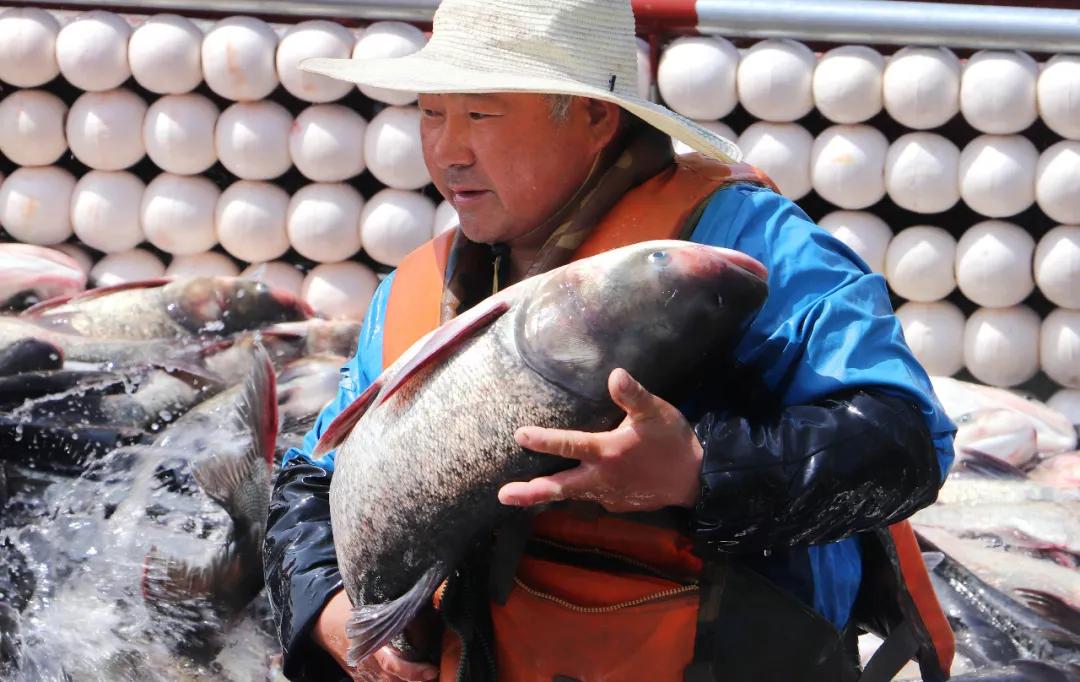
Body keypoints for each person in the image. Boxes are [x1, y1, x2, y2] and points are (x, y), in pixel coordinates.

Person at [264, 1, 957, 680]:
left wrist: (697, 469)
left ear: (595, 117)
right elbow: (312, 478)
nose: (447, 150)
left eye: (480, 113)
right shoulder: (423, 286)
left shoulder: (739, 248)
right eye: (430, 112)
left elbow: (906, 442)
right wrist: (328, 612)